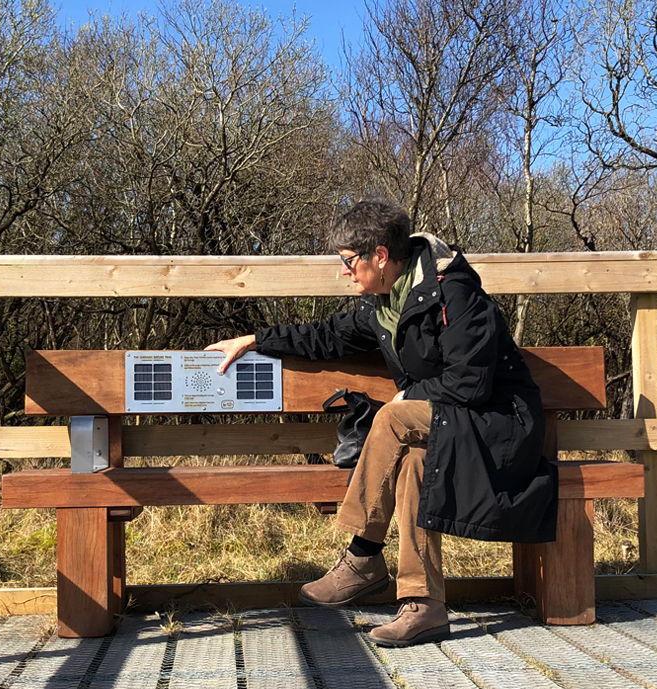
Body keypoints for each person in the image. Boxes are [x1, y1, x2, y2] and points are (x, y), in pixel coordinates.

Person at [206, 199, 558, 646]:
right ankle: (425, 606)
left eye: (349, 261)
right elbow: (326, 336)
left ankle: (363, 555)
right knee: (414, 461)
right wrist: (255, 339)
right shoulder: (381, 304)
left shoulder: (455, 293)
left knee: (392, 418)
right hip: (449, 426)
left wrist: (408, 396)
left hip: (501, 428)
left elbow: (471, 382)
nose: (344, 271)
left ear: (380, 256)